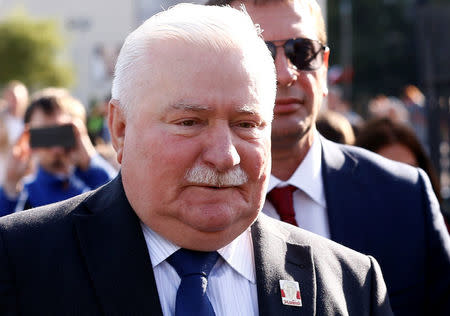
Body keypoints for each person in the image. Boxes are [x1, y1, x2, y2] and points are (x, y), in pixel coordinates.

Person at [0, 4, 393, 315]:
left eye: (247, 124)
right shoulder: (18, 264)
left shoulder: (349, 286)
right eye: (189, 122)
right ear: (120, 129)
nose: (224, 155)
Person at [205, 1, 450, 315]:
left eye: (302, 51)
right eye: (259, 54)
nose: (285, 73)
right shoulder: (185, 202)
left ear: (324, 63)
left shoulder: (404, 196)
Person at [0, 89, 117, 216]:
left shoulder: (97, 182)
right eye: (44, 134)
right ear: (29, 138)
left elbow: (121, 205)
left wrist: (89, 160)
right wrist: (10, 186)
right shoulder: (24, 194)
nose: (55, 146)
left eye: (60, 133)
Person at [355, 117, 449, 231]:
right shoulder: (348, 234)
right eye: (388, 175)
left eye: (410, 172)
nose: (402, 184)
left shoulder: (443, 227)